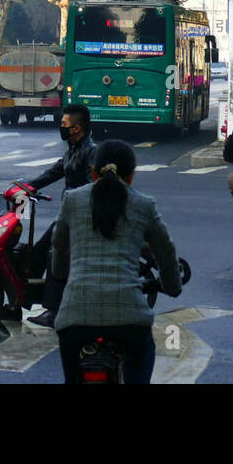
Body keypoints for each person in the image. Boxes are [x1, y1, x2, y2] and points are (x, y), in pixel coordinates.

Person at [51, 140, 182, 384]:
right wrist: (172, 287)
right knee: (143, 352)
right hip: (130, 320)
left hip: (75, 316)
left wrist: (60, 275)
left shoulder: (72, 200)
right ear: (131, 176)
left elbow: (59, 246)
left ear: (93, 172)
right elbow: (165, 251)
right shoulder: (143, 204)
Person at [22, 103, 97, 328]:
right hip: (67, 215)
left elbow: (94, 186)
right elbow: (54, 172)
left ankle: (54, 311)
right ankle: (23, 300)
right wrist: (25, 186)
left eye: (64, 124)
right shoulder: (73, 150)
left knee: (55, 255)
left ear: (76, 128)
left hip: (80, 218)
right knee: (36, 253)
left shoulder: (90, 152)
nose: (61, 127)